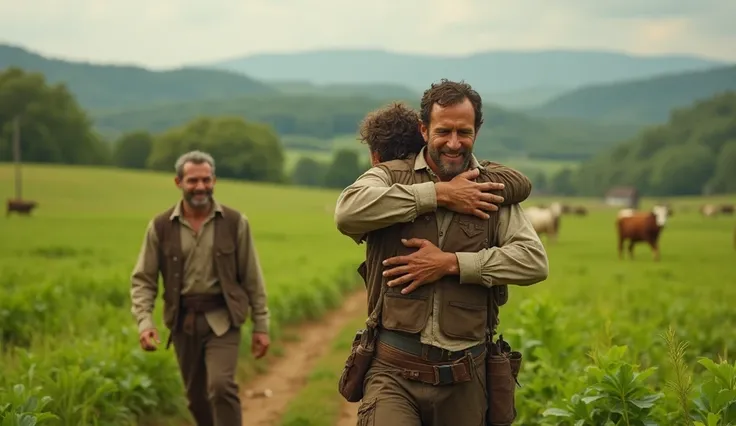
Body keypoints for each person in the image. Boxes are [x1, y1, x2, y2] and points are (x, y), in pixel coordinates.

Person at [334, 79, 549, 426]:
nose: (453, 143)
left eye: (463, 132)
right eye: (443, 131)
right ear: (424, 129)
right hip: (392, 373)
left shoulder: (492, 191)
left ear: (476, 132)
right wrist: (438, 195)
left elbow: (534, 261)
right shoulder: (391, 177)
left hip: (466, 378)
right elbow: (347, 213)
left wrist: (452, 264)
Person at [130, 150, 270, 426]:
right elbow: (143, 279)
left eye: (206, 180)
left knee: (220, 386)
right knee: (196, 398)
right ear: (178, 182)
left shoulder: (234, 222)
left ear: (214, 181)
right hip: (183, 322)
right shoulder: (160, 226)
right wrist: (145, 322)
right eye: (193, 181)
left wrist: (261, 326)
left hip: (224, 318)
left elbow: (252, 278)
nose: (200, 187)